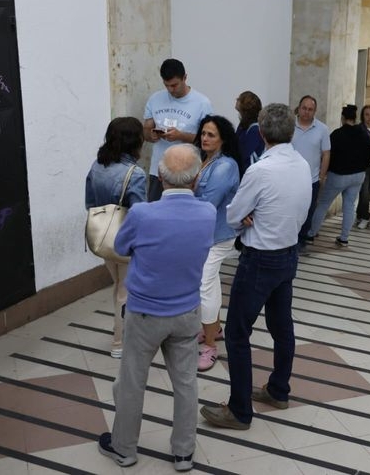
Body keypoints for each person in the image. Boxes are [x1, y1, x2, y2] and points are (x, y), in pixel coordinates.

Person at [97, 144, 215, 471]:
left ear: (161, 177)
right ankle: (183, 454)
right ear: (196, 179)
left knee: (133, 382)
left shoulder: (143, 214)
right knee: (186, 384)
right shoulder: (207, 213)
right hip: (187, 313)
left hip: (145, 313)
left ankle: (125, 449)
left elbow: (121, 246)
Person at [200, 103, 311, 430]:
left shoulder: (260, 170)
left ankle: (239, 410)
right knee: (281, 326)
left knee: (236, 333)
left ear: (261, 133)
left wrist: (248, 216)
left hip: (260, 258)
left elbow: (234, 215)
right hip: (288, 254)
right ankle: (278, 389)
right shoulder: (302, 164)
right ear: (291, 131)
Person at [85, 117, 147, 359]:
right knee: (126, 291)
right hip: (127, 240)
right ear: (136, 141)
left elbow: (89, 203)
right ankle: (120, 343)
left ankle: (119, 328)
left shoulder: (97, 166)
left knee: (118, 287)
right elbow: (140, 213)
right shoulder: (136, 173)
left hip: (102, 237)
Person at [193, 115, 241, 371]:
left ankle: (210, 346)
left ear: (223, 139)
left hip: (220, 235)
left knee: (204, 284)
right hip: (208, 234)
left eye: (211, 134)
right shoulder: (208, 160)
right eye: (203, 133)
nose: (204, 138)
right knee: (209, 283)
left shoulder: (224, 166)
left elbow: (207, 203)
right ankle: (215, 328)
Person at [143, 58, 212, 202]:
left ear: (185, 78)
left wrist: (181, 136)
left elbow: (209, 139)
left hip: (187, 172)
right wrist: (151, 135)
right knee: (155, 213)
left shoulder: (202, 103)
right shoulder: (155, 99)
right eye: (167, 85)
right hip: (159, 171)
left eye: (175, 85)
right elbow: (146, 128)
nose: (171, 90)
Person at [307, 104, 370, 247]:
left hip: (338, 176)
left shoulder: (337, 134)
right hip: (358, 176)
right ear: (355, 118)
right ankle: (344, 238)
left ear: (342, 118)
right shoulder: (363, 133)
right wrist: (361, 167)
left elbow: (328, 155)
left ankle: (311, 234)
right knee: (349, 206)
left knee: (324, 204)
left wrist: (324, 173)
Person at [291, 95, 330, 253]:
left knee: (308, 211)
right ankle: (288, 239)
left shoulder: (322, 129)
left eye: (310, 109)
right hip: (290, 179)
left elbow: (326, 154)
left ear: (315, 111)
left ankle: (301, 240)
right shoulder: (289, 126)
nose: (306, 112)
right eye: (304, 108)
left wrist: (321, 176)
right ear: (299, 108)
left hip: (311, 180)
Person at [234, 91, 264, 177]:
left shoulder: (254, 130)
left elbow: (245, 156)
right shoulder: (244, 125)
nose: (236, 100)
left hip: (247, 174)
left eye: (239, 99)